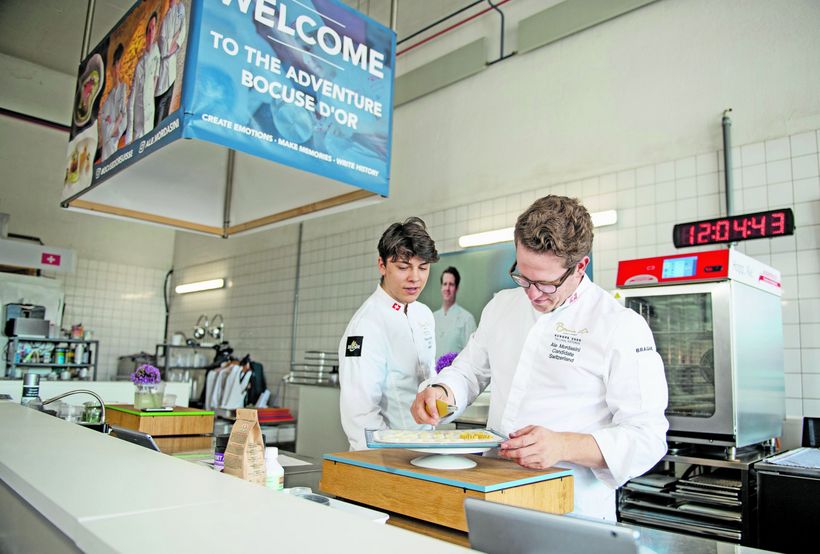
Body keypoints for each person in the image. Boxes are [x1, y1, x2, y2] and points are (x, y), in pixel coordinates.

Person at [411, 195, 668, 521]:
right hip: (493, 491)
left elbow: (647, 437)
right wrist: (442, 392)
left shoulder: (619, 326)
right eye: (523, 277)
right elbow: (468, 372)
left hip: (571, 508)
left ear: (580, 267)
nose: (532, 294)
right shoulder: (502, 306)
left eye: (546, 284)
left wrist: (563, 445)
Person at [338, 217, 440, 450]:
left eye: (423, 267)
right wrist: (387, 459)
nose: (415, 277)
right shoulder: (366, 325)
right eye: (403, 267)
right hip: (387, 455)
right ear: (382, 265)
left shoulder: (423, 314)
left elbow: (427, 377)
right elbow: (360, 414)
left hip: (425, 446)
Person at [127, 12, 160, 144]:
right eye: (149, 30)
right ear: (146, 34)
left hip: (149, 112)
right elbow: (132, 97)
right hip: (138, 117)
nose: (151, 33)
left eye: (153, 28)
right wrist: (129, 134)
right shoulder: (139, 65)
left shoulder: (156, 54)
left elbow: (155, 81)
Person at [154, 0, 187, 126]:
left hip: (170, 66)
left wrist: (171, 46)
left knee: (167, 98)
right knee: (160, 102)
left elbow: (181, 33)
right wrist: (169, 46)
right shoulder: (165, 18)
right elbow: (162, 45)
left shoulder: (180, 9)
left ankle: (161, 128)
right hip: (162, 66)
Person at [433, 266, 476, 358]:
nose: (447, 288)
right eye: (445, 284)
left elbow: (472, 355)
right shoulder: (432, 318)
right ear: (441, 287)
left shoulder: (467, 319)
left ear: (457, 288)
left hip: (457, 367)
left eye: (451, 284)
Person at [99, 44, 128, 162]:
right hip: (107, 147)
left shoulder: (123, 89)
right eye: (114, 66)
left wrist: (116, 124)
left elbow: (124, 116)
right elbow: (103, 123)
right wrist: (116, 122)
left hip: (115, 143)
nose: (116, 70)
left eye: (118, 65)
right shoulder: (108, 98)